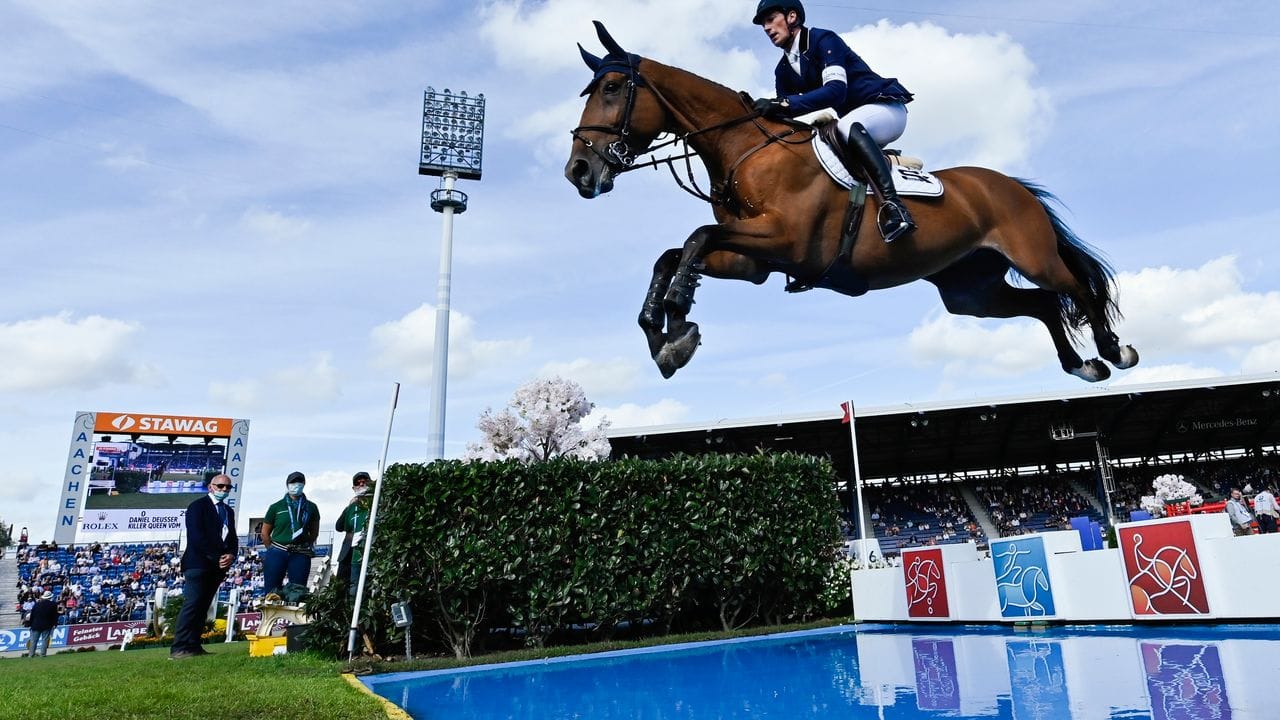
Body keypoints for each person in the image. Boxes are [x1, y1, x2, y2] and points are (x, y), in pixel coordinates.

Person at [751, 0, 916, 242]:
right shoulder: (783, 70)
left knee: (845, 127)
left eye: (770, 19)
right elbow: (784, 114)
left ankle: (894, 207)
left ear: (792, 17)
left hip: (885, 109)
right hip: (855, 122)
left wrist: (782, 104)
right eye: (763, 24)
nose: (766, 28)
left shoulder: (823, 40)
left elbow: (836, 91)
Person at [170, 474, 237, 659]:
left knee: (203, 606)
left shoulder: (227, 511)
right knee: (193, 604)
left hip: (217, 567)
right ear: (210, 487)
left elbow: (232, 537)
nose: (224, 490)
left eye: (227, 487)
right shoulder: (197, 507)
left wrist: (231, 555)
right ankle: (179, 647)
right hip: (198, 563)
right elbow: (197, 537)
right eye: (220, 486)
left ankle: (193, 645)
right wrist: (217, 556)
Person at [259, 471, 320, 597]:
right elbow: (265, 533)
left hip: (300, 553)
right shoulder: (276, 507)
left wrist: (304, 544)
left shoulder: (311, 507)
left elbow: (314, 532)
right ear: (287, 485)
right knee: (271, 592)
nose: (296, 484)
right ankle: (269, 617)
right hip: (277, 551)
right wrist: (272, 549)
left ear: (304, 484)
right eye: (293, 482)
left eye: (299, 481)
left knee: (297, 593)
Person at [335, 471, 374, 597]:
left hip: (366, 550)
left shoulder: (375, 504)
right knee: (342, 586)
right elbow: (339, 526)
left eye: (365, 481)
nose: (361, 484)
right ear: (354, 488)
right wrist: (349, 506)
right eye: (358, 483)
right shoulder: (352, 507)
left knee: (360, 588)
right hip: (348, 552)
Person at [25, 590, 59, 657]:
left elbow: (32, 615)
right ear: (50, 597)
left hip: (36, 625)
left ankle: (31, 655)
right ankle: (43, 654)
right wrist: (55, 624)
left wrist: (30, 624)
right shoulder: (53, 604)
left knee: (33, 641)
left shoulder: (37, 604)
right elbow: (54, 615)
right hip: (47, 625)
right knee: (45, 640)